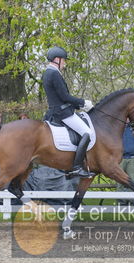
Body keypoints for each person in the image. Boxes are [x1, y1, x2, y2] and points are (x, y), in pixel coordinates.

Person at [42, 46, 94, 177]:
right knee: (87, 133)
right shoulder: (54, 73)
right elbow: (64, 97)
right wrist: (82, 103)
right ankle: (76, 167)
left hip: (56, 111)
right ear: (57, 59)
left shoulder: (48, 72)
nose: (64, 63)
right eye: (63, 60)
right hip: (62, 113)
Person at [117, 122, 134, 206]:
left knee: (133, 182)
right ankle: (121, 203)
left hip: (133, 158)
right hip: (120, 158)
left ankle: (133, 203)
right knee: (119, 182)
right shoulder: (117, 127)